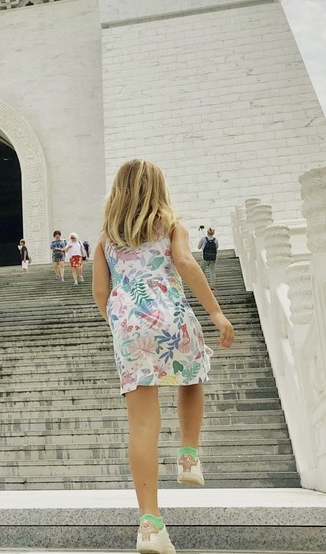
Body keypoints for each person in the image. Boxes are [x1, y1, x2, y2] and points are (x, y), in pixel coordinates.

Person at [91, 160, 235, 554]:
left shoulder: (106, 239)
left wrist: (120, 323)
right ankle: (189, 455)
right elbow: (186, 264)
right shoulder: (172, 227)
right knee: (192, 375)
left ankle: (150, 524)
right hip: (171, 314)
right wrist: (217, 313)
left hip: (129, 325)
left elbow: (100, 293)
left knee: (141, 424)